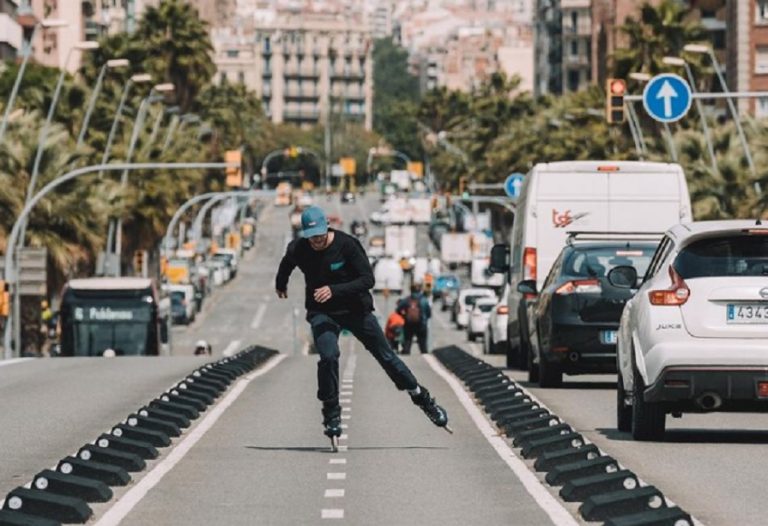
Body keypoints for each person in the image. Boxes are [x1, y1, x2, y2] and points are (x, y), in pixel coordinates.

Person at [275, 206, 450, 443]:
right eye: (311, 237)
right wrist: (281, 283)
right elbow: (287, 263)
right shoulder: (299, 247)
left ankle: (422, 397)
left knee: (387, 357)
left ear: (327, 227)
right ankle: (331, 412)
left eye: (319, 236)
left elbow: (368, 279)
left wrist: (334, 290)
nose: (316, 241)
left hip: (356, 311)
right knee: (328, 356)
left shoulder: (347, 245)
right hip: (322, 312)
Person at [397, 283, 432, 355]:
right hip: (422, 324)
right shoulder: (424, 300)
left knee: (407, 341)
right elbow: (429, 313)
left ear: (411, 290)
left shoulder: (407, 299)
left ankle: (406, 353)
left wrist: (404, 316)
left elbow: (398, 310)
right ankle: (424, 354)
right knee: (423, 344)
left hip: (409, 324)